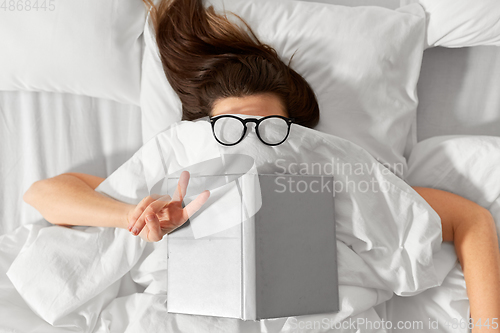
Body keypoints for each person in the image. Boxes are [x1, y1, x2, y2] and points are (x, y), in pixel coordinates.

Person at [22, 0, 499, 330]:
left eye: (270, 128)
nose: (251, 142)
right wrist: (130, 217)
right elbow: (44, 195)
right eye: (231, 128)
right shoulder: (166, 182)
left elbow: (470, 220)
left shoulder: (338, 175)